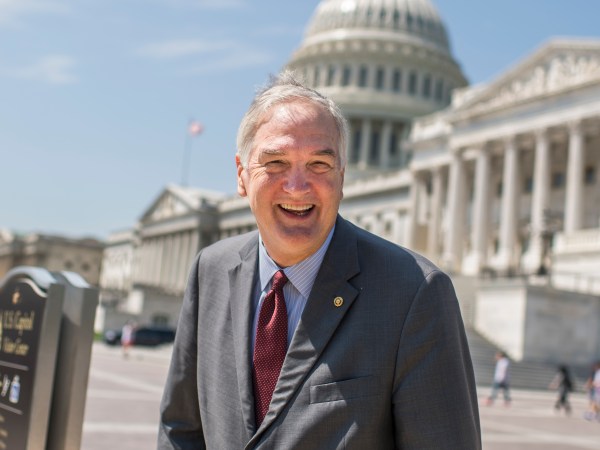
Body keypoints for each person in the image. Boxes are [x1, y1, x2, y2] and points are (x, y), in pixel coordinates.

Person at [158, 72, 481, 449]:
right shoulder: (210, 270)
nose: (297, 187)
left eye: (319, 165)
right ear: (242, 176)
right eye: (275, 162)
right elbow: (180, 430)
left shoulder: (413, 293)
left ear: (342, 176)